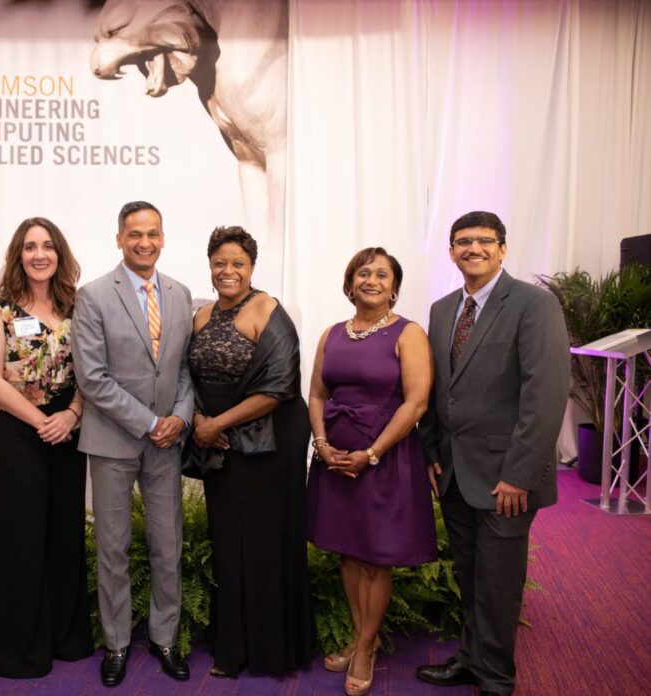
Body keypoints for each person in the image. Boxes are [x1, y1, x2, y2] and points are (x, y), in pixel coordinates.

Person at [416, 211, 569, 696]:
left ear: (503, 248)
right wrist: (432, 451)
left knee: (499, 583)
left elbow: (544, 396)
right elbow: (439, 390)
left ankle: (497, 679)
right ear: (451, 251)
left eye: (485, 240)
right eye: (463, 241)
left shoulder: (533, 305)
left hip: (508, 478)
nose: (473, 248)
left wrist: (520, 474)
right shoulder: (443, 310)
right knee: (469, 573)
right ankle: (470, 658)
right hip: (455, 471)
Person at [71, 200, 194, 687]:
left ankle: (164, 639)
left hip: (167, 442)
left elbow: (186, 368)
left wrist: (180, 419)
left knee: (168, 546)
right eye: (135, 234)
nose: (145, 242)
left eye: (153, 233)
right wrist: (149, 422)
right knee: (113, 548)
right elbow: (93, 378)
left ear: (163, 238)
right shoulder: (94, 295)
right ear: (119, 239)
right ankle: (117, 643)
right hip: (113, 441)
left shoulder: (182, 294)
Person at [307, 247, 437, 696]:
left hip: (385, 456)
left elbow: (416, 402)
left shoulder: (409, 333)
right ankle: (365, 634)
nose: (372, 280)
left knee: (375, 555)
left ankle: (363, 648)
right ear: (351, 281)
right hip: (335, 456)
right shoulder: (332, 333)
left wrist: (373, 453)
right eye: (364, 272)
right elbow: (318, 396)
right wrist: (322, 445)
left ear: (394, 286)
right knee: (347, 549)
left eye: (382, 274)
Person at [186, 226, 314, 678]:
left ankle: (269, 649)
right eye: (220, 262)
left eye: (238, 263)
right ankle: (232, 646)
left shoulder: (268, 309)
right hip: (219, 445)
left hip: (269, 443)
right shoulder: (201, 315)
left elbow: (280, 386)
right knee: (228, 541)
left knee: (264, 541)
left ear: (252, 267)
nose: (228, 271)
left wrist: (217, 423)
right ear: (210, 265)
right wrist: (200, 422)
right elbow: (189, 379)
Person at [0, 217, 93, 678]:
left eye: (48, 246)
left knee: (64, 534)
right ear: (18, 254)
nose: (39, 254)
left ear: (59, 254)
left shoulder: (77, 306)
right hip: (14, 432)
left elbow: (93, 369)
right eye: (30, 247)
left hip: (68, 429)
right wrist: (43, 420)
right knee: (18, 541)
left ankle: (67, 638)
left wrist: (74, 414)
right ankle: (20, 651)